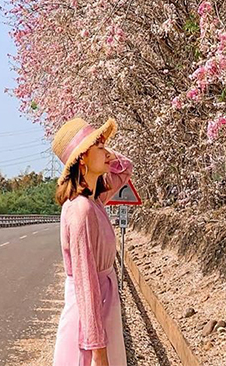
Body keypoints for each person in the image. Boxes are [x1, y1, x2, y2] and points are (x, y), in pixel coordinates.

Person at [52, 117, 133, 366]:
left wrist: (101, 147)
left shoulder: (95, 200)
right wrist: (97, 348)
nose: (107, 153)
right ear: (82, 158)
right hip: (88, 318)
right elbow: (85, 281)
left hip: (101, 308)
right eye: (100, 147)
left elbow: (125, 167)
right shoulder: (81, 210)